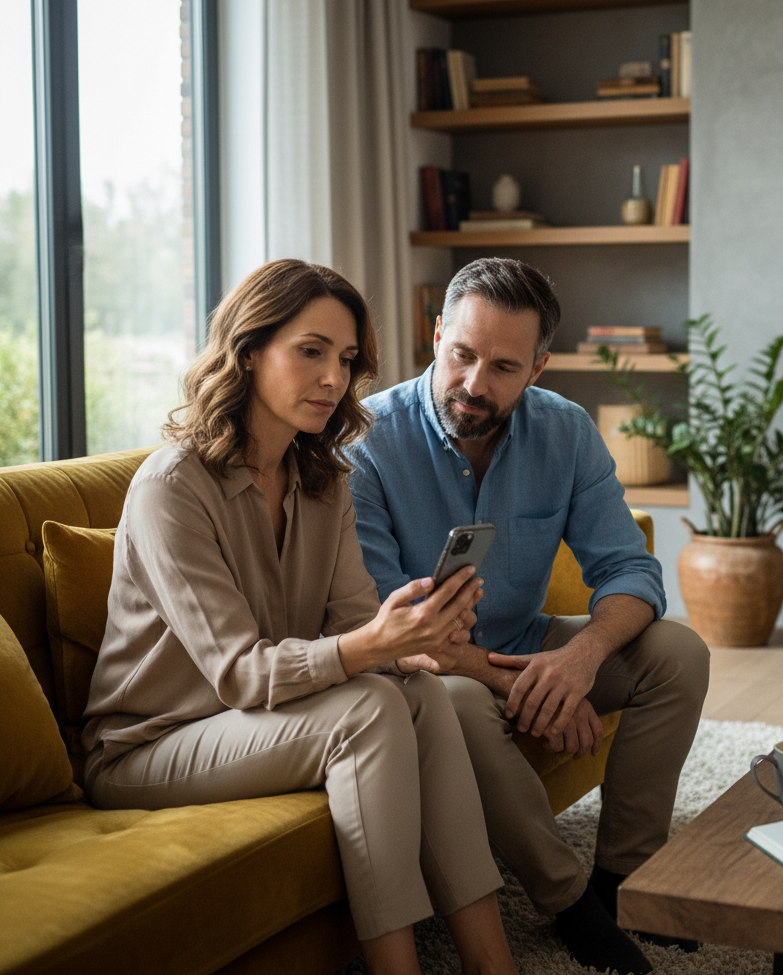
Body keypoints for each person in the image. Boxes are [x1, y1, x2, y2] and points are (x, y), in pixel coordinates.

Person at [82, 259, 518, 975]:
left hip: (257, 721)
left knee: (417, 691)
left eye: (345, 360)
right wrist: (371, 644)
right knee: (370, 709)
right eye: (310, 351)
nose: (333, 379)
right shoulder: (171, 488)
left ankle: (491, 962)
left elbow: (351, 622)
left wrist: (414, 637)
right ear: (249, 351)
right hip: (148, 745)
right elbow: (238, 672)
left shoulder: (324, 481)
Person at [348, 257, 711, 975]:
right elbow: (390, 627)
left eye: (504, 366)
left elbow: (631, 570)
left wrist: (576, 662)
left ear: (539, 367)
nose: (476, 384)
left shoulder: (566, 432)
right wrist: (524, 686)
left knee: (679, 653)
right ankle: (570, 900)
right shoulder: (367, 443)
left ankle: (624, 879)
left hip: (527, 640)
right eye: (462, 355)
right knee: (454, 700)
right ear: (436, 334)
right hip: (423, 673)